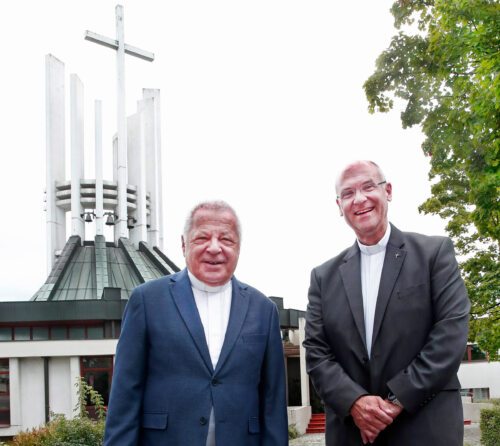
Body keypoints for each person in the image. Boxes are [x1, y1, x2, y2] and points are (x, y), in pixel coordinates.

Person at [303, 160, 470, 445]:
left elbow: (449, 336)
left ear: (388, 191)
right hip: (353, 433)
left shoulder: (434, 255)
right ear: (339, 205)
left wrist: (395, 401)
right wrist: (355, 402)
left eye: (368, 187)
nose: (359, 199)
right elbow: (317, 353)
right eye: (348, 193)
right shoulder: (322, 277)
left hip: (425, 426)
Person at [104, 201, 288, 446]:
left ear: (238, 247)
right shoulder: (147, 300)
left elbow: (273, 399)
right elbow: (125, 392)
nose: (214, 248)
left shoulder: (264, 310)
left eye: (226, 239)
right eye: (202, 238)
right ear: (183, 244)